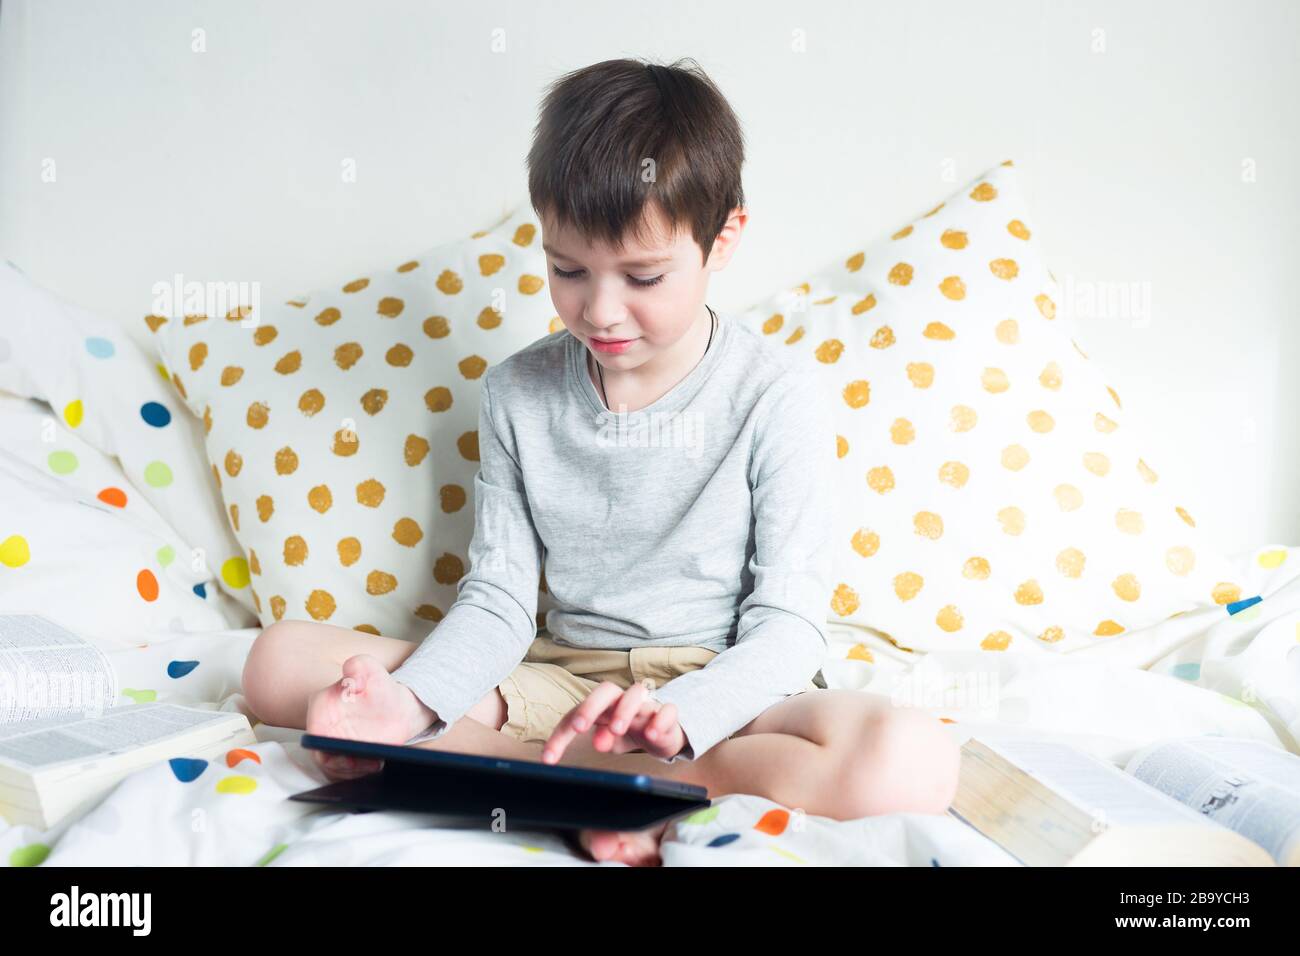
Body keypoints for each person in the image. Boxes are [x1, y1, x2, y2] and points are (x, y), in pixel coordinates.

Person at [242, 57, 960, 866]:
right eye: (567, 270)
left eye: (643, 275)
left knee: (912, 757)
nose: (600, 309)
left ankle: (611, 777)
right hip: (557, 681)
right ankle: (594, 780)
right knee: (276, 663)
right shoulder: (518, 392)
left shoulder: (776, 394)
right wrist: (409, 701)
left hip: (711, 690)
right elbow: (499, 601)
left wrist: (678, 718)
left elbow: (789, 626)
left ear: (722, 239)